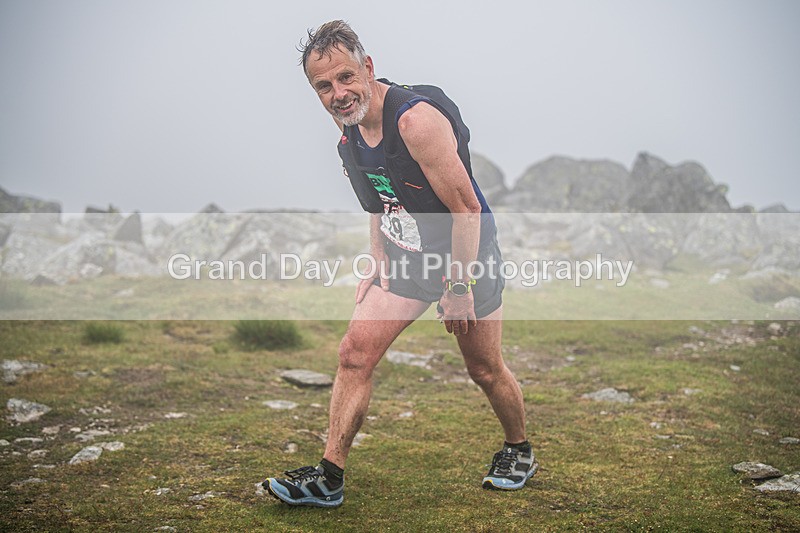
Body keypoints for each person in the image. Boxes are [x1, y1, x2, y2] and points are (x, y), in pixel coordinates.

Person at [263, 20, 537, 508]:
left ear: (368, 67)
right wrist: (377, 254)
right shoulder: (346, 123)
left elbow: (467, 209)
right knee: (354, 352)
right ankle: (329, 477)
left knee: (484, 368)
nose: (338, 94)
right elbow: (377, 198)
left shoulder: (416, 122)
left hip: (464, 252)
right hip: (406, 255)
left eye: (346, 77)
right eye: (323, 86)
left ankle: (519, 449)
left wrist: (458, 288)